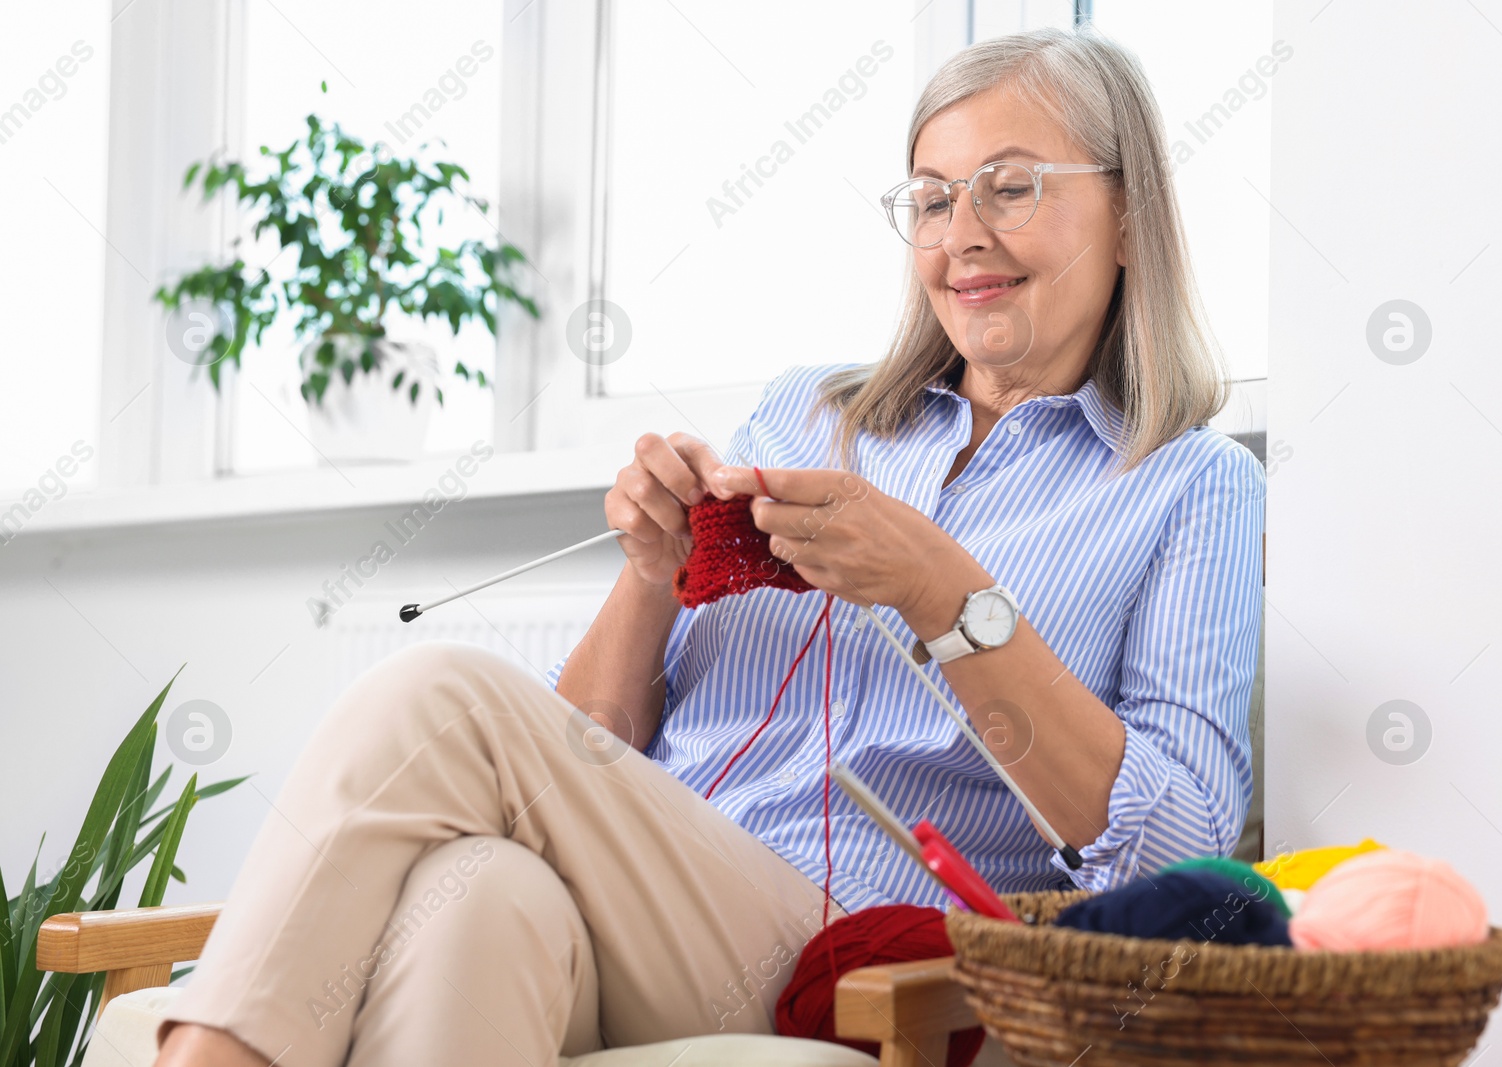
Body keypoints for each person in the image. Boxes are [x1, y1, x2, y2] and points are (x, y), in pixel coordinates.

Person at [155, 25, 1261, 1067]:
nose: (960, 233)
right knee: (482, 891)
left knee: (442, 696)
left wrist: (943, 591)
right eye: (928, 200)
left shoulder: (1190, 484)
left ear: (1127, 215)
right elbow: (586, 749)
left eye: (1008, 188)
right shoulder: (806, 414)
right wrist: (652, 576)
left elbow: (1181, 857)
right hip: (657, 909)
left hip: (862, 955)